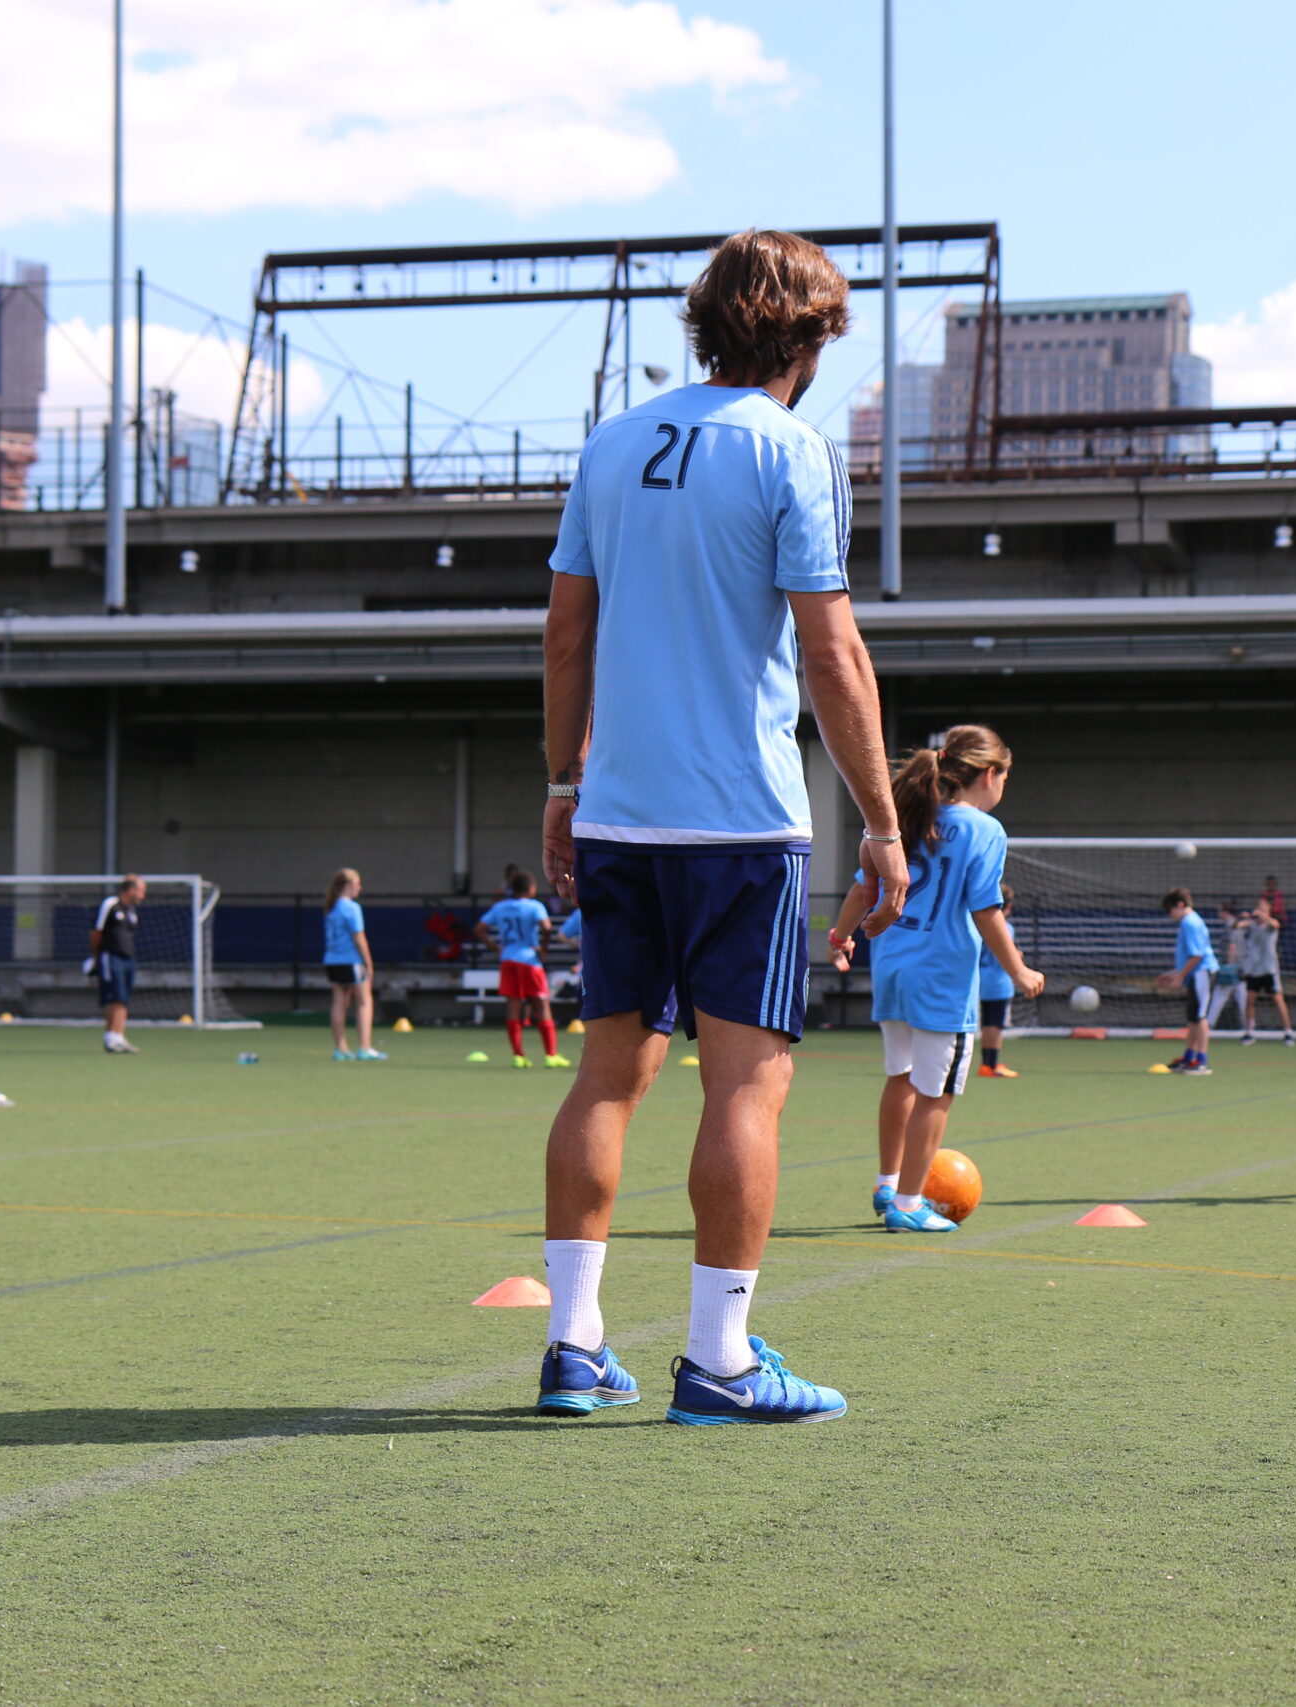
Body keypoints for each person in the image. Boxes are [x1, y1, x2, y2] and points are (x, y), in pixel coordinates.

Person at [534, 227, 904, 1426]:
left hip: (618, 818)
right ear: (807, 336)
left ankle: (573, 1348)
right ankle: (720, 1362)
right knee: (746, 1088)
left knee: (604, 1077)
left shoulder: (609, 443)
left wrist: (558, 785)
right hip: (741, 824)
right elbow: (832, 648)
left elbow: (564, 635)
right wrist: (885, 827)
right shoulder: (790, 450)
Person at [827, 726, 1040, 1230]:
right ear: (989, 774)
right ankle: (907, 1205)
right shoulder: (985, 830)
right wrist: (1018, 969)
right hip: (942, 976)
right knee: (935, 1092)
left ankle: (887, 1182)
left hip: (894, 966)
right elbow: (986, 909)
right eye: (1005, 776)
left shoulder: (908, 817)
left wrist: (840, 938)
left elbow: (864, 890)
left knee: (899, 1076)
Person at [478, 871, 564, 1068]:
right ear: (531, 888)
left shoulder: (500, 907)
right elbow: (547, 927)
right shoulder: (535, 906)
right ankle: (550, 1055)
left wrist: (496, 949)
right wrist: (543, 949)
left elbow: (479, 930)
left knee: (513, 1007)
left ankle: (518, 1055)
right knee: (541, 1005)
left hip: (508, 959)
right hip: (529, 960)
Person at [321, 868, 384, 1061]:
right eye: (357, 883)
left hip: (332, 960)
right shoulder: (352, 908)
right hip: (351, 960)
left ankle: (340, 1049)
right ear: (349, 885)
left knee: (339, 1002)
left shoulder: (331, 908)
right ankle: (364, 1047)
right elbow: (359, 938)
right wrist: (368, 962)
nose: (359, 887)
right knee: (364, 1002)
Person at [1154, 887, 1214, 1075]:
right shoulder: (1188, 922)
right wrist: (1173, 973)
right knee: (1192, 1018)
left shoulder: (1191, 923)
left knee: (1200, 1016)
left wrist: (1180, 976)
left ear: (1180, 905)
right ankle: (1189, 1056)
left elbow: (1197, 956)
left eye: (1170, 910)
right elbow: (1189, 957)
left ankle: (1201, 1061)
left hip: (1202, 973)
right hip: (1195, 974)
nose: (1170, 915)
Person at [88, 875, 146, 1054]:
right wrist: (96, 957)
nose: (143, 895)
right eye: (141, 890)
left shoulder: (132, 911)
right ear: (130, 889)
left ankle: (118, 1036)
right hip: (110, 957)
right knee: (116, 997)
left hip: (128, 958)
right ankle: (112, 1037)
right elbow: (96, 932)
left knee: (124, 998)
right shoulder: (110, 905)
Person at [1229, 898, 1293, 1046]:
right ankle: (1249, 1032)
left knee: (1278, 1000)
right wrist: (1240, 917)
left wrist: (1263, 915)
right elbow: (1235, 926)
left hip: (1269, 969)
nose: (1259, 912)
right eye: (1259, 909)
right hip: (1253, 970)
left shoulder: (1271, 926)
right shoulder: (1252, 925)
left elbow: (1275, 924)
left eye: (1263, 909)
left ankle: (1288, 1032)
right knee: (1249, 1000)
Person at [974, 882, 1022, 1078]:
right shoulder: (1005, 928)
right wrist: (1017, 957)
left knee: (987, 1023)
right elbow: (1003, 954)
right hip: (998, 982)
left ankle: (988, 1063)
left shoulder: (979, 924)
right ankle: (991, 1064)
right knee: (994, 1024)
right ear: (1008, 907)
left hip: (980, 979)